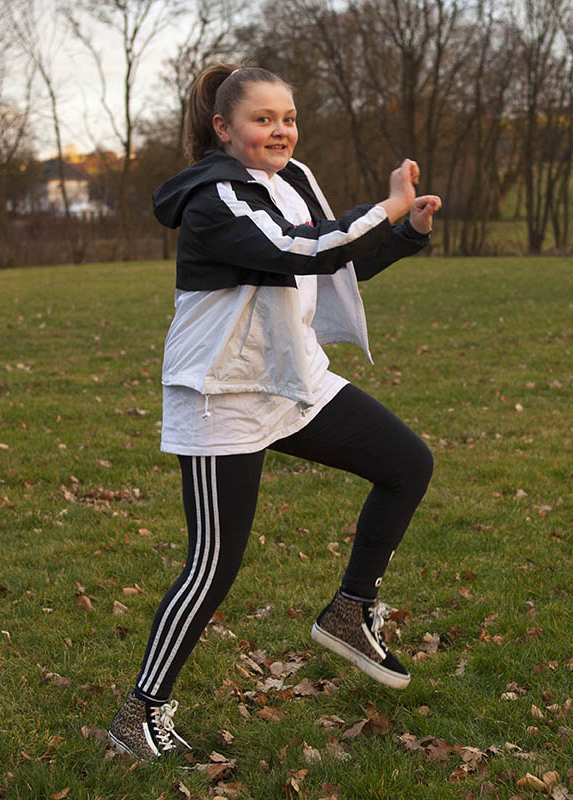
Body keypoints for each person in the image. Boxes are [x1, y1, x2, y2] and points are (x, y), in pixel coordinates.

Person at [107, 64, 442, 762]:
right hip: (220, 392)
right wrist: (379, 208)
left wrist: (403, 231)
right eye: (263, 119)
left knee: (407, 463)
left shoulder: (287, 182)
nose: (281, 129)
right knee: (213, 565)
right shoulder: (211, 199)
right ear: (225, 128)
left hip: (288, 380)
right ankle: (140, 713)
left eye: (288, 117)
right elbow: (300, 249)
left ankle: (350, 610)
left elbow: (330, 263)